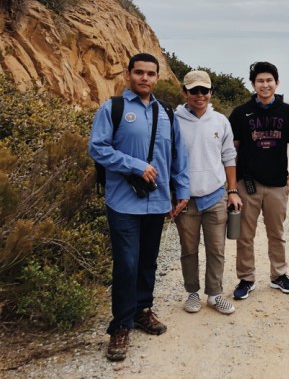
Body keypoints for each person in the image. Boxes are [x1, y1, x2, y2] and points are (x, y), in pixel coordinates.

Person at [88, 53, 190, 362]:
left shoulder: (167, 113)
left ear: (158, 78)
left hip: (157, 202)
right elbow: (97, 147)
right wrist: (134, 165)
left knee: (148, 261)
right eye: (139, 72)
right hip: (123, 202)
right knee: (127, 263)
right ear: (129, 75)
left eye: (150, 73)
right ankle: (120, 325)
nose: (144, 78)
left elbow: (177, 156)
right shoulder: (114, 109)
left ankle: (142, 310)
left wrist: (181, 190)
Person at [229, 61, 289, 300]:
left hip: (278, 185)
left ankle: (279, 275)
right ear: (253, 84)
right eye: (260, 80)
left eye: (269, 80)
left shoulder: (288, 112)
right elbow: (233, 151)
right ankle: (246, 278)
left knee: (276, 233)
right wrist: (233, 186)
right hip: (247, 185)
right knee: (245, 235)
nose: (265, 84)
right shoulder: (241, 113)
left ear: (277, 82)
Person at [174, 70, 242, 315]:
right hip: (186, 200)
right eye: (194, 90)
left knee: (217, 249)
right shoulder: (174, 120)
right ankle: (192, 293)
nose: (199, 95)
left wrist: (232, 191)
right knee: (189, 250)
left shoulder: (221, 121)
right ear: (185, 92)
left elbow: (229, 157)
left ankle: (214, 294)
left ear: (211, 92)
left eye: (204, 90)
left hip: (215, 196)